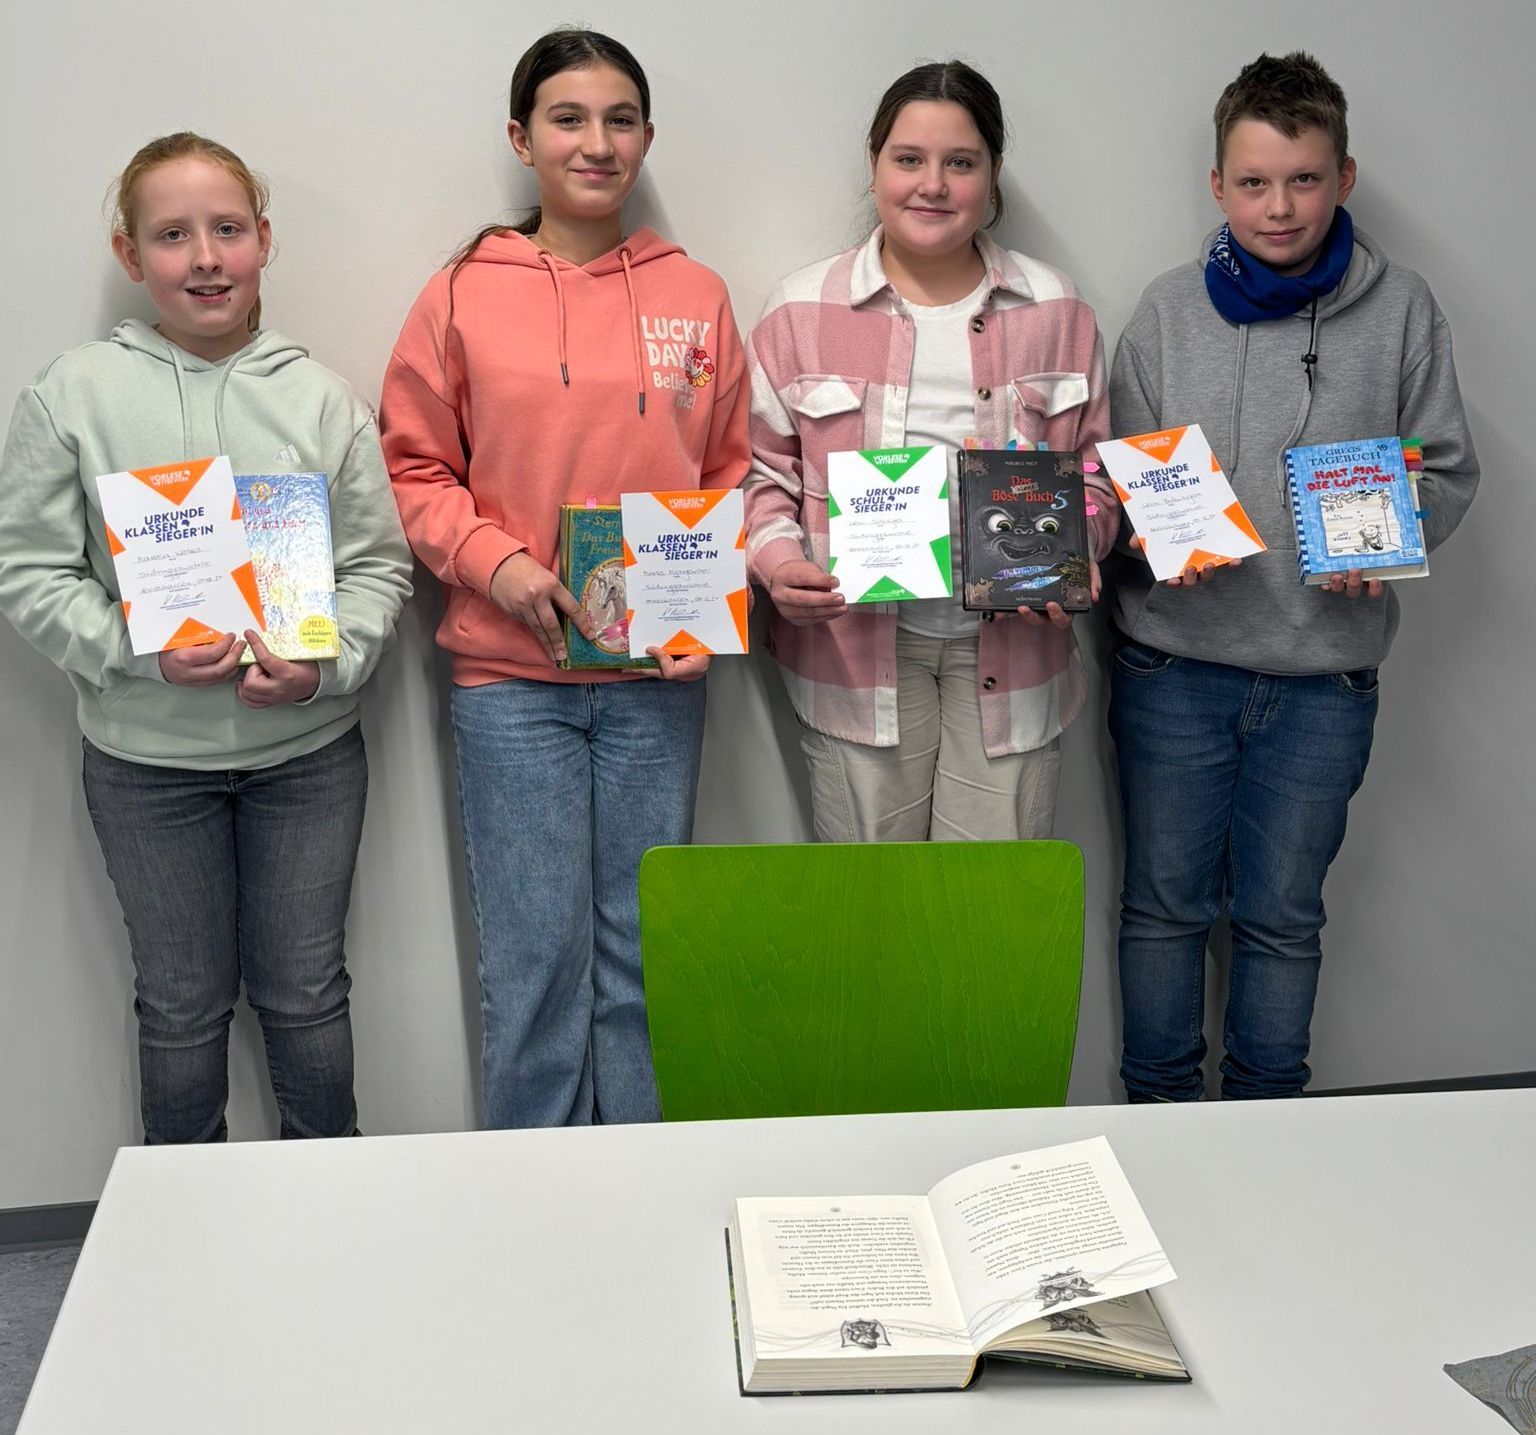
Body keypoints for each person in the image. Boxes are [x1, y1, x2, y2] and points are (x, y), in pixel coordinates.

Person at [0, 132, 413, 1142]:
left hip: (307, 760)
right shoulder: (72, 395)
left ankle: (331, 1198)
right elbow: (27, 569)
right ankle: (182, 1215)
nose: (206, 258)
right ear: (131, 255)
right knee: (181, 1007)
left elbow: (377, 567)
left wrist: (324, 665)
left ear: (264, 241)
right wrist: (136, 648)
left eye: (227, 230)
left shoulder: (322, 401)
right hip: (145, 765)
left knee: (306, 995)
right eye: (173, 235)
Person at [381, 28, 749, 1128]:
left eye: (620, 120)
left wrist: (704, 612)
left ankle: (639, 1176)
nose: (597, 143)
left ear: (646, 137)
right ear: (521, 138)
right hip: (512, 684)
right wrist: (495, 566)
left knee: (643, 958)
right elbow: (414, 467)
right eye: (568, 119)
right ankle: (531, 1193)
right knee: (535, 963)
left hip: (654, 687)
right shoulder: (459, 294)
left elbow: (727, 475)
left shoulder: (697, 294)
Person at [1108, 52, 1479, 1102]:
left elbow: (1448, 468)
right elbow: (1115, 479)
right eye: (1256, 182)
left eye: (1305, 179)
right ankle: (1160, 1119)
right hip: (1172, 668)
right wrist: (1147, 535)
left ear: (1343, 177)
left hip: (1325, 677)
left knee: (1282, 920)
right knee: (1163, 910)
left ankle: (1271, 1126)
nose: (1280, 206)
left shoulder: (1404, 310)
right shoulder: (1167, 310)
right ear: (1218, 186)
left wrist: (1396, 534)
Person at [744, 60, 1118, 844]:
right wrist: (778, 564)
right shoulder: (799, 309)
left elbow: (1094, 471)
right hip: (854, 655)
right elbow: (764, 473)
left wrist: (1078, 549)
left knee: (986, 904)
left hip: (1018, 651)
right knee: (873, 900)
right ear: (874, 164)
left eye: (961, 162)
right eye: (909, 159)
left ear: (994, 173)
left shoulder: (1057, 309)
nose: (933, 185)